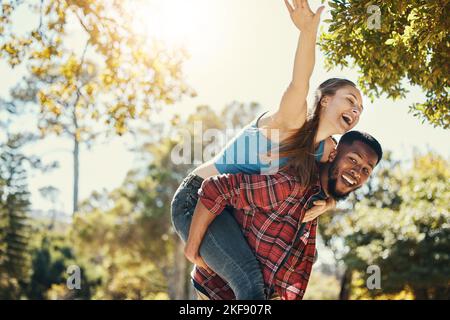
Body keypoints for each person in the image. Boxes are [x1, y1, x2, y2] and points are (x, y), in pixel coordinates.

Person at [171, 0, 364, 299]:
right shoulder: (291, 121)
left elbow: (328, 189)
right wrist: (307, 32)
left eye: (360, 108)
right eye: (350, 99)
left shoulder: (323, 150)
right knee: (250, 283)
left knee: (252, 289)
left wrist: (329, 205)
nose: (356, 108)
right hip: (195, 200)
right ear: (325, 99)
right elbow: (299, 83)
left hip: (228, 208)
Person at [179, 131, 383, 300]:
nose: (357, 171)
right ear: (332, 155)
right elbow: (214, 188)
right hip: (218, 292)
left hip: (251, 293)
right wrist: (192, 248)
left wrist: (330, 202)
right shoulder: (291, 184)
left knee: (310, 255)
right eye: (353, 159)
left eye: (366, 170)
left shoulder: (317, 196)